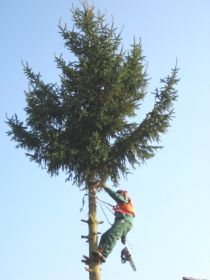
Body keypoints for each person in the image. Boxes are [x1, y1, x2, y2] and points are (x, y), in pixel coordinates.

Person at [93, 182, 135, 263]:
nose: (118, 196)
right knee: (104, 236)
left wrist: (106, 187)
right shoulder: (121, 207)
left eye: (119, 194)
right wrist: (123, 237)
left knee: (112, 235)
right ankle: (99, 252)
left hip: (125, 221)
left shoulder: (125, 200)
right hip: (123, 222)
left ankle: (104, 254)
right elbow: (121, 228)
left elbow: (115, 196)